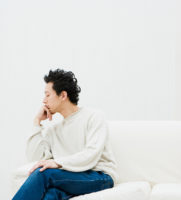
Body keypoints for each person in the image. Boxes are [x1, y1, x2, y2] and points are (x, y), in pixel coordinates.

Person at [12, 69, 117, 200]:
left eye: (47, 95)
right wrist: (36, 122)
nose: (44, 100)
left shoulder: (94, 116)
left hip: (100, 177)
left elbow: (91, 154)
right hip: (70, 178)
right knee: (50, 196)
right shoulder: (54, 130)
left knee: (44, 174)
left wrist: (57, 163)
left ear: (63, 95)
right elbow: (36, 158)